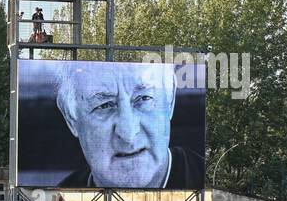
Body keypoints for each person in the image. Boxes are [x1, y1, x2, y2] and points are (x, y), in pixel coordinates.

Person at [55, 62, 202, 189]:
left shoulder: (207, 181)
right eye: (105, 105)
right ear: (71, 119)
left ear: (170, 101)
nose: (128, 134)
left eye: (144, 98)